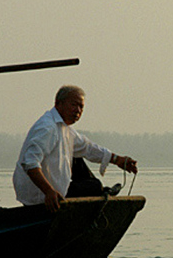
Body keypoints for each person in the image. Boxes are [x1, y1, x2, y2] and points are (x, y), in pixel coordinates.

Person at [13, 85, 138, 213]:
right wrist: (49, 191)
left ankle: (101, 190)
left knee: (75, 155)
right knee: (94, 187)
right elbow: (30, 163)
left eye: (81, 107)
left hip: (51, 190)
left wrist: (118, 160)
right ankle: (100, 189)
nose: (78, 110)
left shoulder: (64, 129)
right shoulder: (48, 128)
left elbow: (87, 147)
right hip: (40, 196)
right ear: (58, 104)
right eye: (74, 105)